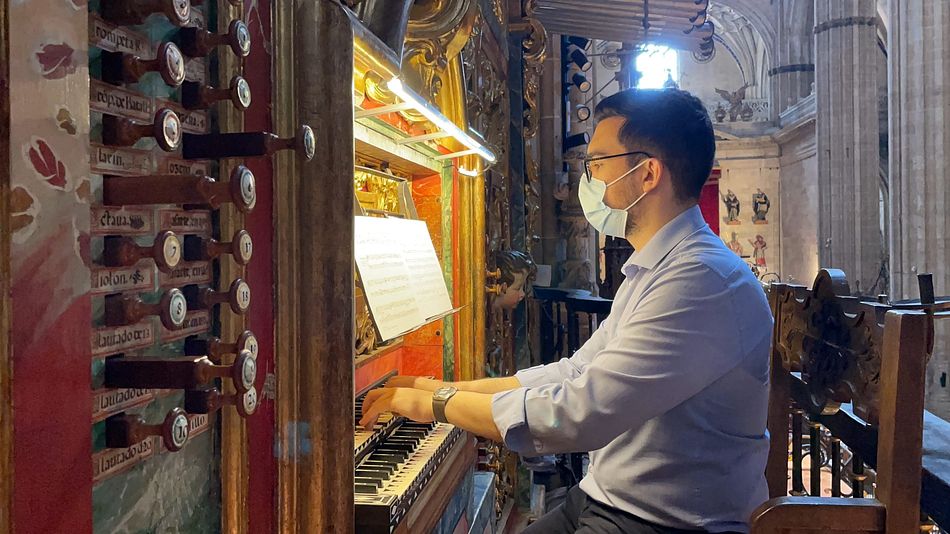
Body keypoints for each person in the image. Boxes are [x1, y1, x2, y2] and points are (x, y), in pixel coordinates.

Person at [359, 88, 773, 534]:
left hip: (667, 523)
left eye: (597, 163)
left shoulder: (702, 280)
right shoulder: (658, 267)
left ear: (648, 172)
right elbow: (575, 372)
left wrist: (432, 404)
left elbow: (580, 414)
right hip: (609, 497)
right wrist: (439, 387)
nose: (588, 178)